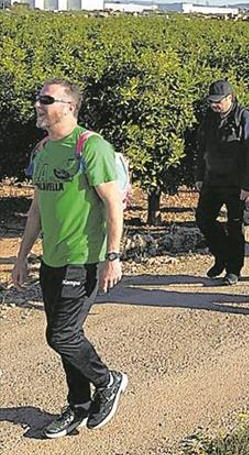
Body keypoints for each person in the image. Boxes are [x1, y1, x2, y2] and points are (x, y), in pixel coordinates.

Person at [12, 78, 128, 438]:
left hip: (85, 257)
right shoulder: (43, 149)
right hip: (53, 259)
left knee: (61, 336)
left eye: (46, 99)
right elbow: (37, 210)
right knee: (66, 335)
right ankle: (77, 406)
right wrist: (21, 258)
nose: (38, 104)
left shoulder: (91, 147)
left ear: (69, 107)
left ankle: (108, 380)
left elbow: (112, 204)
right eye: (38, 97)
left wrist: (113, 255)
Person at [194, 80, 249, 286]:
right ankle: (221, 255)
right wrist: (199, 176)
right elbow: (200, 148)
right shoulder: (209, 118)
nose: (215, 105)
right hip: (212, 180)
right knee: (203, 219)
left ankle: (234, 269)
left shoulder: (244, 117)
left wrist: (248, 185)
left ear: (230, 98)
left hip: (236, 182)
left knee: (235, 225)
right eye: (212, 102)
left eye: (219, 102)